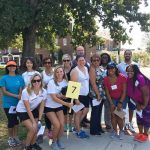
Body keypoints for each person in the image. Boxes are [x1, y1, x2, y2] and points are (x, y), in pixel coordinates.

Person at [45, 66, 72, 150]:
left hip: (59, 106)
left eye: (61, 71)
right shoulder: (51, 82)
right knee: (56, 125)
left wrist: (63, 96)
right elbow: (54, 98)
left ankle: (58, 140)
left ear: (63, 73)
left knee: (62, 125)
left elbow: (65, 96)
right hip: (49, 107)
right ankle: (53, 142)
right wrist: (66, 104)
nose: (59, 73)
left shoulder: (65, 82)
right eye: (57, 72)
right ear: (55, 73)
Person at [16, 73, 46, 150]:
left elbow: (42, 106)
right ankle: (27, 146)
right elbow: (27, 108)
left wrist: (39, 120)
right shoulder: (26, 91)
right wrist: (33, 122)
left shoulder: (44, 91)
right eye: (34, 81)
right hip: (22, 110)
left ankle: (33, 144)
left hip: (33, 110)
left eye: (38, 80)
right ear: (31, 82)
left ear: (41, 81)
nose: (36, 82)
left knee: (36, 128)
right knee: (33, 128)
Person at [0, 60, 25, 147]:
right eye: (10, 66)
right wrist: (16, 96)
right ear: (7, 67)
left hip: (18, 104)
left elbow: (21, 89)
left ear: (16, 67)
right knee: (11, 121)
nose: (12, 67)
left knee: (16, 121)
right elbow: (4, 92)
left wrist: (20, 96)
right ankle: (10, 138)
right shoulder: (4, 78)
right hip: (8, 104)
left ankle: (16, 137)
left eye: (13, 66)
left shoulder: (20, 78)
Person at [126, 64, 150, 142]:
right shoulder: (129, 79)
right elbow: (131, 94)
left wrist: (144, 105)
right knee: (139, 118)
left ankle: (145, 135)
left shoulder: (140, 78)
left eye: (131, 71)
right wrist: (137, 104)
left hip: (147, 102)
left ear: (135, 71)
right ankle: (140, 134)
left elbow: (146, 94)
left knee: (146, 119)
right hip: (138, 102)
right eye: (128, 71)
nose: (129, 72)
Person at [104, 62, 127, 140]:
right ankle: (114, 131)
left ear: (116, 69)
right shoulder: (106, 79)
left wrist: (120, 102)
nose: (111, 70)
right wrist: (111, 103)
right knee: (113, 116)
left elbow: (124, 92)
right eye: (109, 68)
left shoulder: (122, 77)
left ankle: (121, 131)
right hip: (112, 99)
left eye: (112, 68)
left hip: (121, 98)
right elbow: (107, 92)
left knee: (119, 116)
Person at [117, 50, 139, 133]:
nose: (127, 55)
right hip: (123, 91)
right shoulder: (119, 65)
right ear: (124, 55)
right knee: (121, 107)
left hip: (132, 90)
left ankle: (129, 123)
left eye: (129, 54)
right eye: (126, 54)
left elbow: (138, 76)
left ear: (131, 55)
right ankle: (123, 124)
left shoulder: (136, 64)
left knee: (131, 108)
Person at [70, 55, 90, 138]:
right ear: (77, 61)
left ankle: (75, 126)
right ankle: (78, 131)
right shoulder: (75, 71)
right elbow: (72, 86)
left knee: (85, 110)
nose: (82, 62)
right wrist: (75, 99)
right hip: (78, 95)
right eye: (80, 60)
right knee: (78, 113)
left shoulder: (85, 68)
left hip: (86, 95)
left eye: (83, 60)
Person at [89, 54, 106, 135]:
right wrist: (98, 94)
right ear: (91, 61)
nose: (96, 62)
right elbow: (93, 83)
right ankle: (93, 130)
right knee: (95, 112)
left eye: (97, 60)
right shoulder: (92, 69)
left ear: (100, 60)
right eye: (94, 60)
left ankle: (98, 127)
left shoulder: (101, 68)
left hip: (102, 93)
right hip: (95, 94)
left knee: (99, 111)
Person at [41, 57, 54, 139]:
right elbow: (40, 85)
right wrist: (46, 85)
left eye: (49, 62)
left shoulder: (55, 71)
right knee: (47, 114)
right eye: (46, 63)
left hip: (55, 95)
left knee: (55, 112)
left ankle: (55, 128)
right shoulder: (42, 73)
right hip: (46, 96)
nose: (47, 64)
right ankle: (49, 129)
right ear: (44, 64)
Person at [62, 54, 73, 132]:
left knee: (71, 109)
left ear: (70, 61)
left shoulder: (73, 69)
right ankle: (65, 125)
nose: (66, 62)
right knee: (64, 110)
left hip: (72, 90)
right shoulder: (61, 69)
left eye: (67, 60)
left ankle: (70, 124)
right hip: (63, 92)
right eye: (64, 60)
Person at [100, 53, 112, 130]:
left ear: (108, 58)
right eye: (103, 57)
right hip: (99, 91)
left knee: (108, 107)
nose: (104, 59)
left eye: (106, 57)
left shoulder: (111, 67)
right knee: (98, 108)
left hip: (109, 91)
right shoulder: (97, 67)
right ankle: (97, 123)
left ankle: (108, 123)